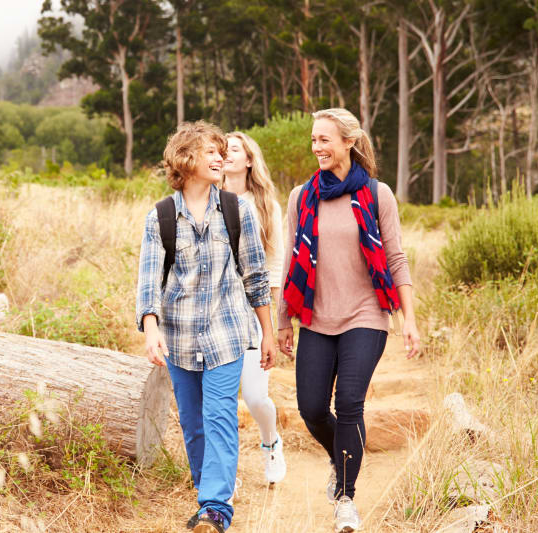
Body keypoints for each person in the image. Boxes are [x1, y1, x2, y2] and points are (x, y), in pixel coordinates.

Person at [277, 108, 421, 533]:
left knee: (350, 403)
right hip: (317, 318)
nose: (317, 147)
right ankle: (340, 455)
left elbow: (395, 258)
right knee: (312, 408)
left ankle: (346, 497)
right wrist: (284, 319)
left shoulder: (377, 194)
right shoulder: (301, 197)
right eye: (313, 140)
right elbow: (289, 260)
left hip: (366, 314)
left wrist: (409, 318)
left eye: (324, 139)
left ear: (348, 143)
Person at [136, 121, 276, 533]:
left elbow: (255, 275)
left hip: (227, 333)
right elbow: (149, 281)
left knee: (219, 417)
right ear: (185, 160)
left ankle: (216, 509)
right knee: (194, 425)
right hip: (178, 337)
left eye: (222, 151)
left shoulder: (238, 210)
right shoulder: (159, 216)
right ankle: (208, 498)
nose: (220, 157)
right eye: (209, 151)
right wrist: (150, 328)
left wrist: (267, 332)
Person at [222, 131, 286, 484]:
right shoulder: (210, 199)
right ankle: (223, 474)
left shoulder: (265, 207)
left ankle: (271, 442)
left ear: (249, 160)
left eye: (235, 150)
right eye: (224, 150)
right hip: (217, 312)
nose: (227, 155)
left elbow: (274, 267)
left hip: (252, 310)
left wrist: (272, 329)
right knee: (221, 399)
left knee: (256, 396)